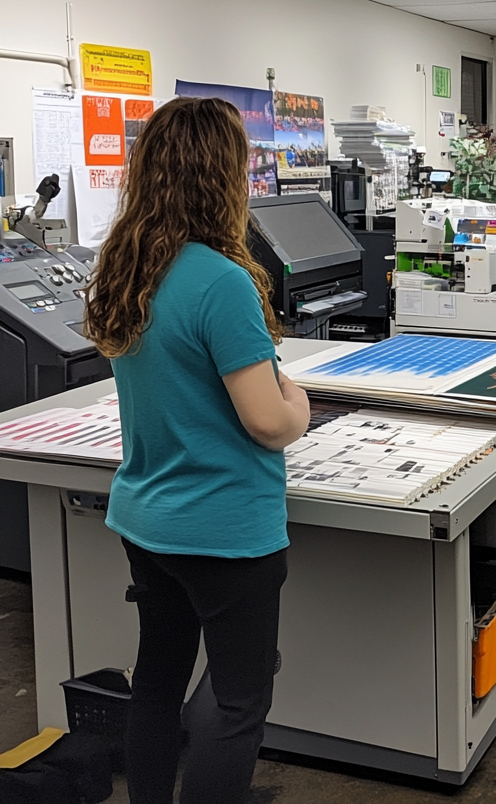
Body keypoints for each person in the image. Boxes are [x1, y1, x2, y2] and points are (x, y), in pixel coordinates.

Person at [84, 97, 310, 804]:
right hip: (223, 529)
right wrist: (297, 401)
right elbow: (267, 422)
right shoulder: (222, 282)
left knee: (156, 680)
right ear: (224, 176)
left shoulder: (127, 268)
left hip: (149, 520)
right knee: (239, 701)